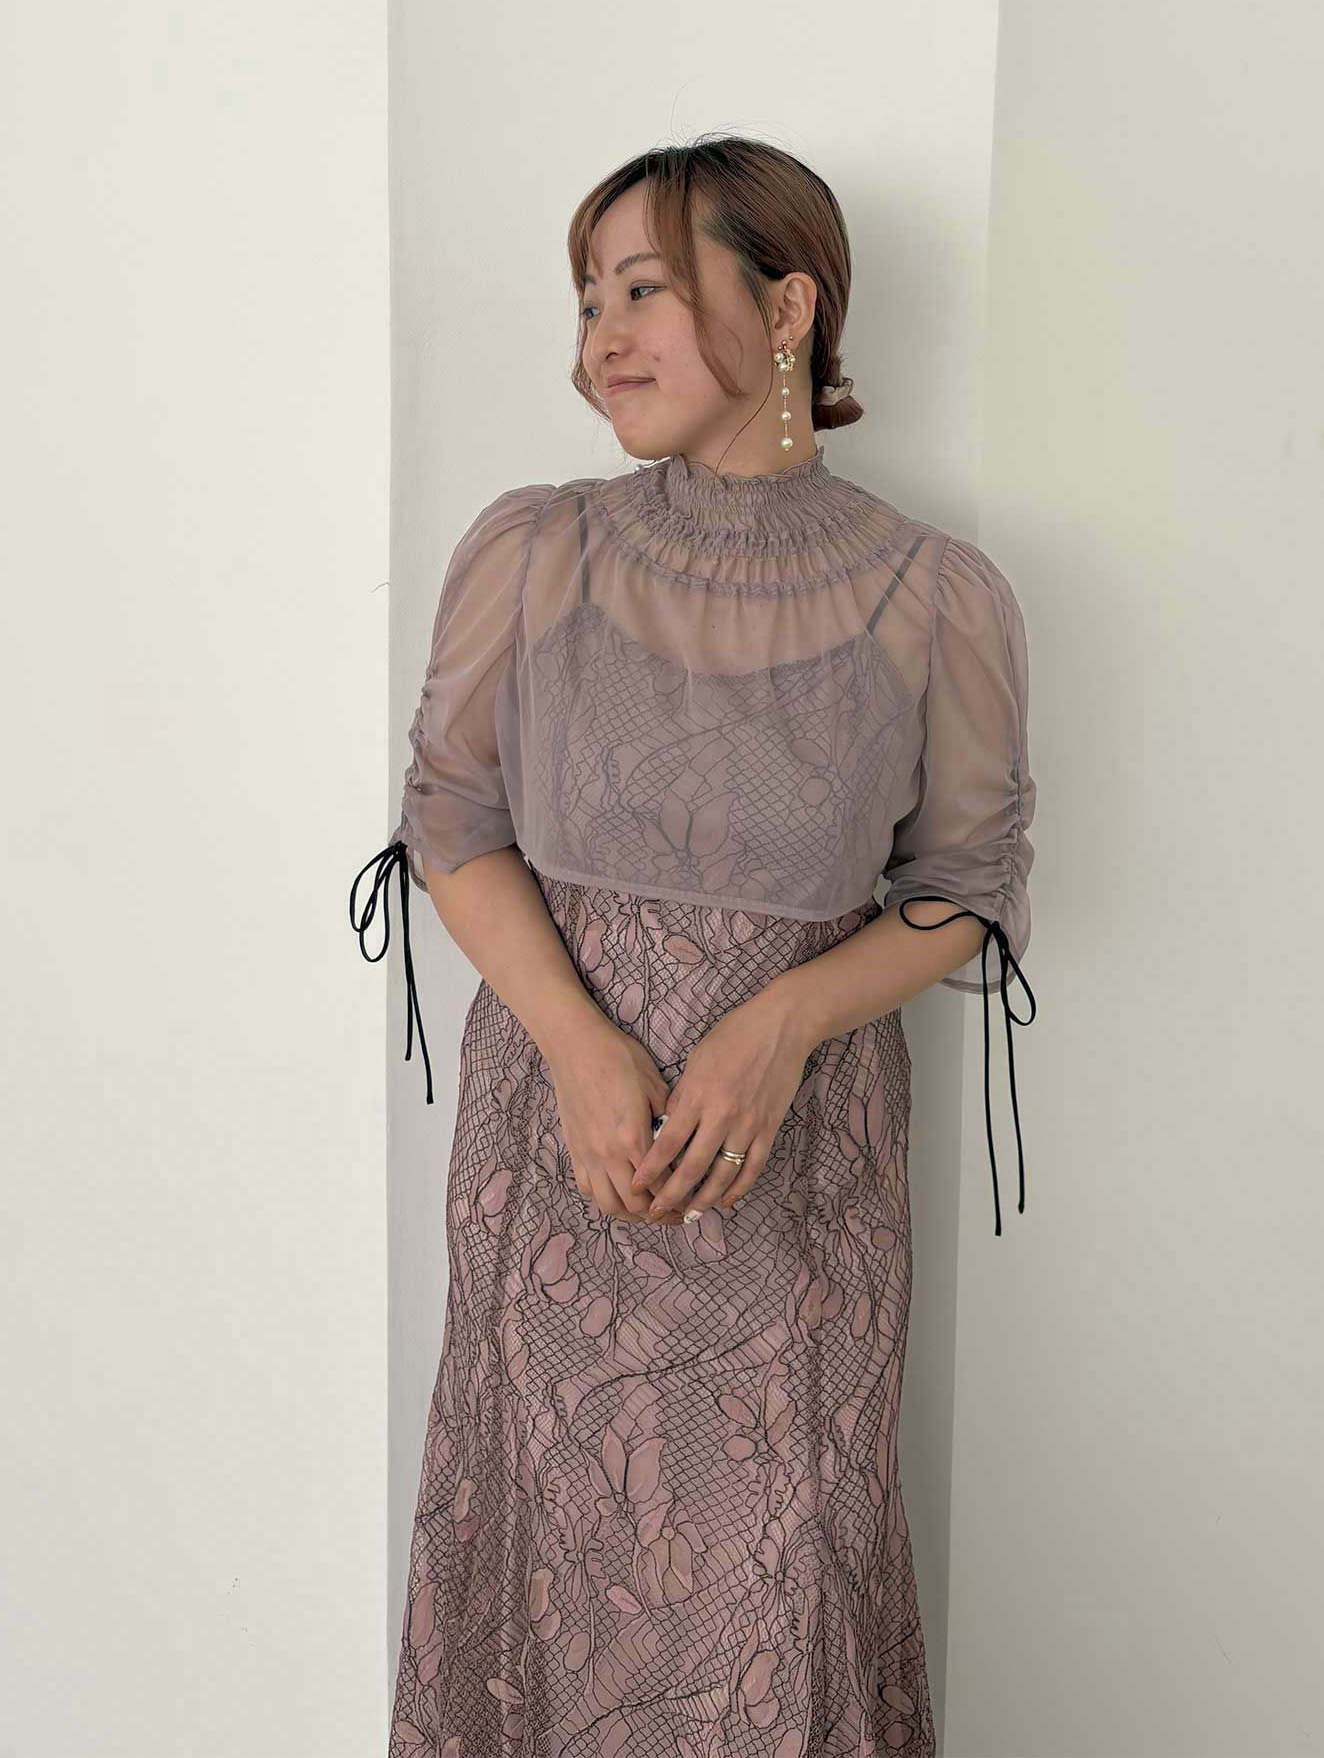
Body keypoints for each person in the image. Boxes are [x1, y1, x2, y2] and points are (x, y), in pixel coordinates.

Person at [349, 134, 1038, 1758]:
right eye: (589, 299)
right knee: (547, 1584)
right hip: (560, 1175)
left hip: (796, 1191)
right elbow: (450, 822)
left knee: (781, 1606)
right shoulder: (533, 550)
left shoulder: (939, 596)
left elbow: (966, 884)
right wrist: (582, 1049)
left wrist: (782, 1022)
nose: (602, 338)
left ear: (787, 307)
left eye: (645, 291)